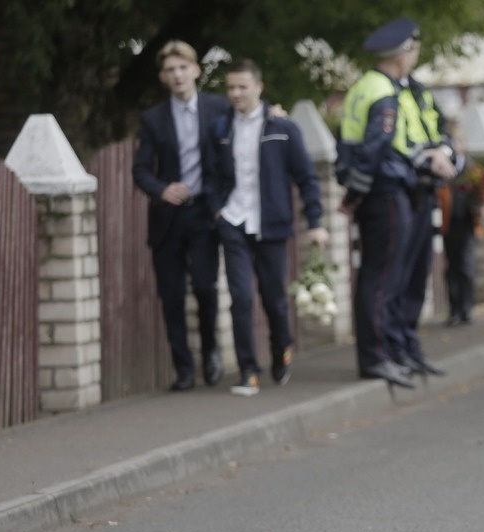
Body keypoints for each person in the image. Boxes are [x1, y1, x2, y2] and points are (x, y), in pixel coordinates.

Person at [337, 17, 451, 388]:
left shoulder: (399, 88)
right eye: (414, 50)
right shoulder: (380, 91)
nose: (415, 55)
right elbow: (375, 150)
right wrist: (354, 194)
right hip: (386, 192)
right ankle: (376, 357)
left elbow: (429, 131)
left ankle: (399, 349)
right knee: (382, 277)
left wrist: (443, 155)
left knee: (404, 276)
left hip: (406, 189)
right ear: (403, 54)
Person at [205, 58, 329, 396]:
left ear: (258, 87)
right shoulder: (220, 129)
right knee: (241, 297)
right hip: (233, 221)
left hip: (271, 225)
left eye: (242, 87)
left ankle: (281, 347)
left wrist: (315, 222)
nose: (236, 94)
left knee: (274, 298)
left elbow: (306, 177)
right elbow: (210, 176)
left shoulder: (283, 128)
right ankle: (248, 369)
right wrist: (217, 211)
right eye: (231, 88)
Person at [133, 40, 226, 392]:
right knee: (171, 296)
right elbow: (141, 170)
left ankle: (211, 352)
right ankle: (183, 369)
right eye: (170, 70)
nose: (177, 75)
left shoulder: (218, 108)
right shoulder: (153, 119)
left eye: (183, 68)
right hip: (168, 219)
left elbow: (249, 120)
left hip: (204, 213)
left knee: (204, 287)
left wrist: (273, 114)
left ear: (196, 70)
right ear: (162, 77)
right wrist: (161, 190)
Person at [390, 67, 459, 376]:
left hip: (425, 193)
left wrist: (442, 152)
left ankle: (409, 344)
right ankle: (395, 348)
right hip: (402, 191)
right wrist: (429, 157)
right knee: (399, 275)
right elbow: (397, 144)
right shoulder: (385, 92)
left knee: (419, 273)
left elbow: (442, 130)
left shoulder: (420, 92)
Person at [439, 126, 484, 326]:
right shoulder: (443, 167)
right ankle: (454, 310)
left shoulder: (472, 169)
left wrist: (480, 208)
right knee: (451, 267)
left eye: (457, 142)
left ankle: (466, 307)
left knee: (465, 265)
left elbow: (483, 195)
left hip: (467, 223)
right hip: (448, 223)